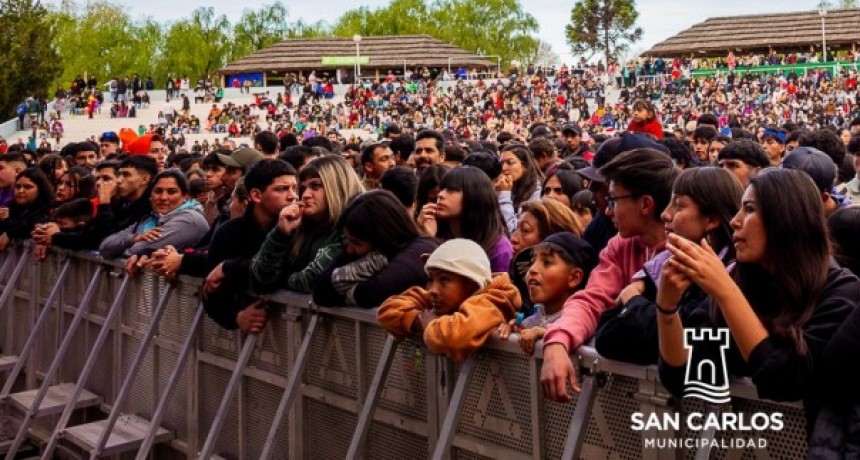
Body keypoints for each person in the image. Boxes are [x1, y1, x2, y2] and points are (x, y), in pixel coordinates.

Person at [657, 168, 860, 431]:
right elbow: (682, 377)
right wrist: (667, 308)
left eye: (750, 209)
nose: (735, 221)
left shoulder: (842, 292)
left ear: (786, 218)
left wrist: (726, 291)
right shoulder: (742, 282)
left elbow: (784, 380)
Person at [540, 148, 677, 401]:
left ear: (645, 204)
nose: (607, 211)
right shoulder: (619, 245)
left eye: (614, 200)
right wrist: (557, 341)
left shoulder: (686, 250)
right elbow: (592, 300)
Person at [594, 167, 743, 365]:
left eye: (679, 206)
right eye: (668, 204)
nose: (665, 214)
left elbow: (682, 349)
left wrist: (634, 303)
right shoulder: (663, 266)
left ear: (712, 219)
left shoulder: (731, 279)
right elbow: (607, 337)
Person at [377, 238, 521, 363]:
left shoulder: (493, 301)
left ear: (472, 283)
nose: (433, 289)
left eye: (444, 279)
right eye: (431, 279)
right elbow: (388, 310)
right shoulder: (442, 299)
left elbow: (456, 337)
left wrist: (430, 324)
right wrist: (418, 320)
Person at [251, 155, 364, 293]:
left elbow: (311, 280)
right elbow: (260, 275)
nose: (305, 195)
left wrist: (280, 280)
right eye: (303, 188)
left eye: (315, 186)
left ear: (338, 186)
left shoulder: (355, 227)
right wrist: (280, 234)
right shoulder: (300, 224)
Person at [314, 190, 439, 308]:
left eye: (356, 243)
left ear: (382, 237)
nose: (349, 250)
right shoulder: (365, 252)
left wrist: (344, 294)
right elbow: (320, 289)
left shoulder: (421, 249)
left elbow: (374, 291)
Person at [501, 231, 597, 355]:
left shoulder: (589, 330)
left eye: (547, 262)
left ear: (574, 277)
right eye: (532, 262)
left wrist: (552, 336)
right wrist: (511, 335)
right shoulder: (528, 324)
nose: (532, 270)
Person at [99, 169, 208, 269]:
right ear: (151, 194)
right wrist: (134, 238)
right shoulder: (151, 218)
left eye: (171, 192)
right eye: (158, 191)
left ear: (185, 196)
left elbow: (137, 250)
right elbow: (104, 248)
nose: (163, 197)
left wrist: (121, 249)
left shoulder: (190, 220)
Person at [417, 166, 513, 273]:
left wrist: (431, 242)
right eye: (443, 189)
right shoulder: (435, 229)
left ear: (473, 196)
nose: (440, 194)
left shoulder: (499, 249)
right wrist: (425, 237)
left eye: (451, 190)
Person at [0, 168, 53, 252]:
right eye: (17, 186)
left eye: (27, 187)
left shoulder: (49, 210)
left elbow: (34, 224)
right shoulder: (11, 209)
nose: (20, 191)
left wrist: (10, 234)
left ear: (40, 189)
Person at [498, 143, 542, 233]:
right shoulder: (510, 186)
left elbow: (513, 231)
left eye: (510, 163)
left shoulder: (537, 191)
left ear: (525, 166)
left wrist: (504, 194)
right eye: (501, 163)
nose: (504, 168)